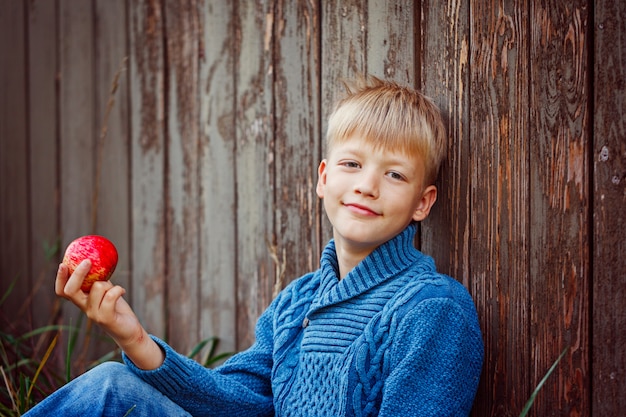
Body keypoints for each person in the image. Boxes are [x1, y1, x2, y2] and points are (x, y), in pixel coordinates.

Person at [25, 75, 483, 417]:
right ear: (324, 179)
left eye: (395, 174)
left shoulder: (434, 309)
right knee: (112, 386)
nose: (366, 185)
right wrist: (133, 337)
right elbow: (233, 404)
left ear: (422, 203)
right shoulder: (297, 302)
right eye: (351, 163)